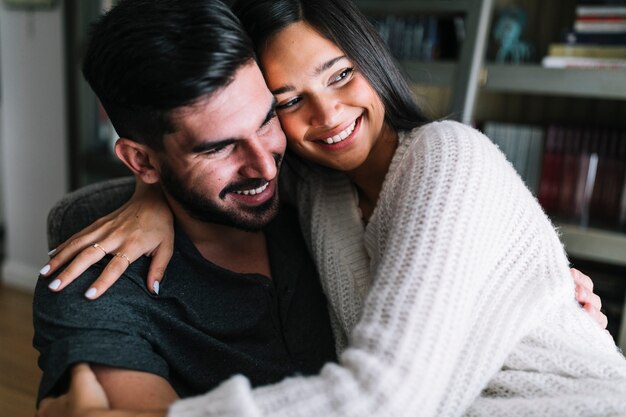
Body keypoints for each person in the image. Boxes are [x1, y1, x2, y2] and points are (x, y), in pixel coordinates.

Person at [39, 0, 626, 416]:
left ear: (370, 57)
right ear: (142, 160)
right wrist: (150, 199)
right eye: (289, 101)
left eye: (341, 74)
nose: (326, 117)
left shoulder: (449, 157)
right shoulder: (316, 188)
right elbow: (81, 211)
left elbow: (389, 398)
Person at [33, 0, 337, 411]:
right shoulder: (94, 289)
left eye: (267, 119)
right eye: (221, 148)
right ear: (142, 161)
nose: (266, 166)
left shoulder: (324, 175)